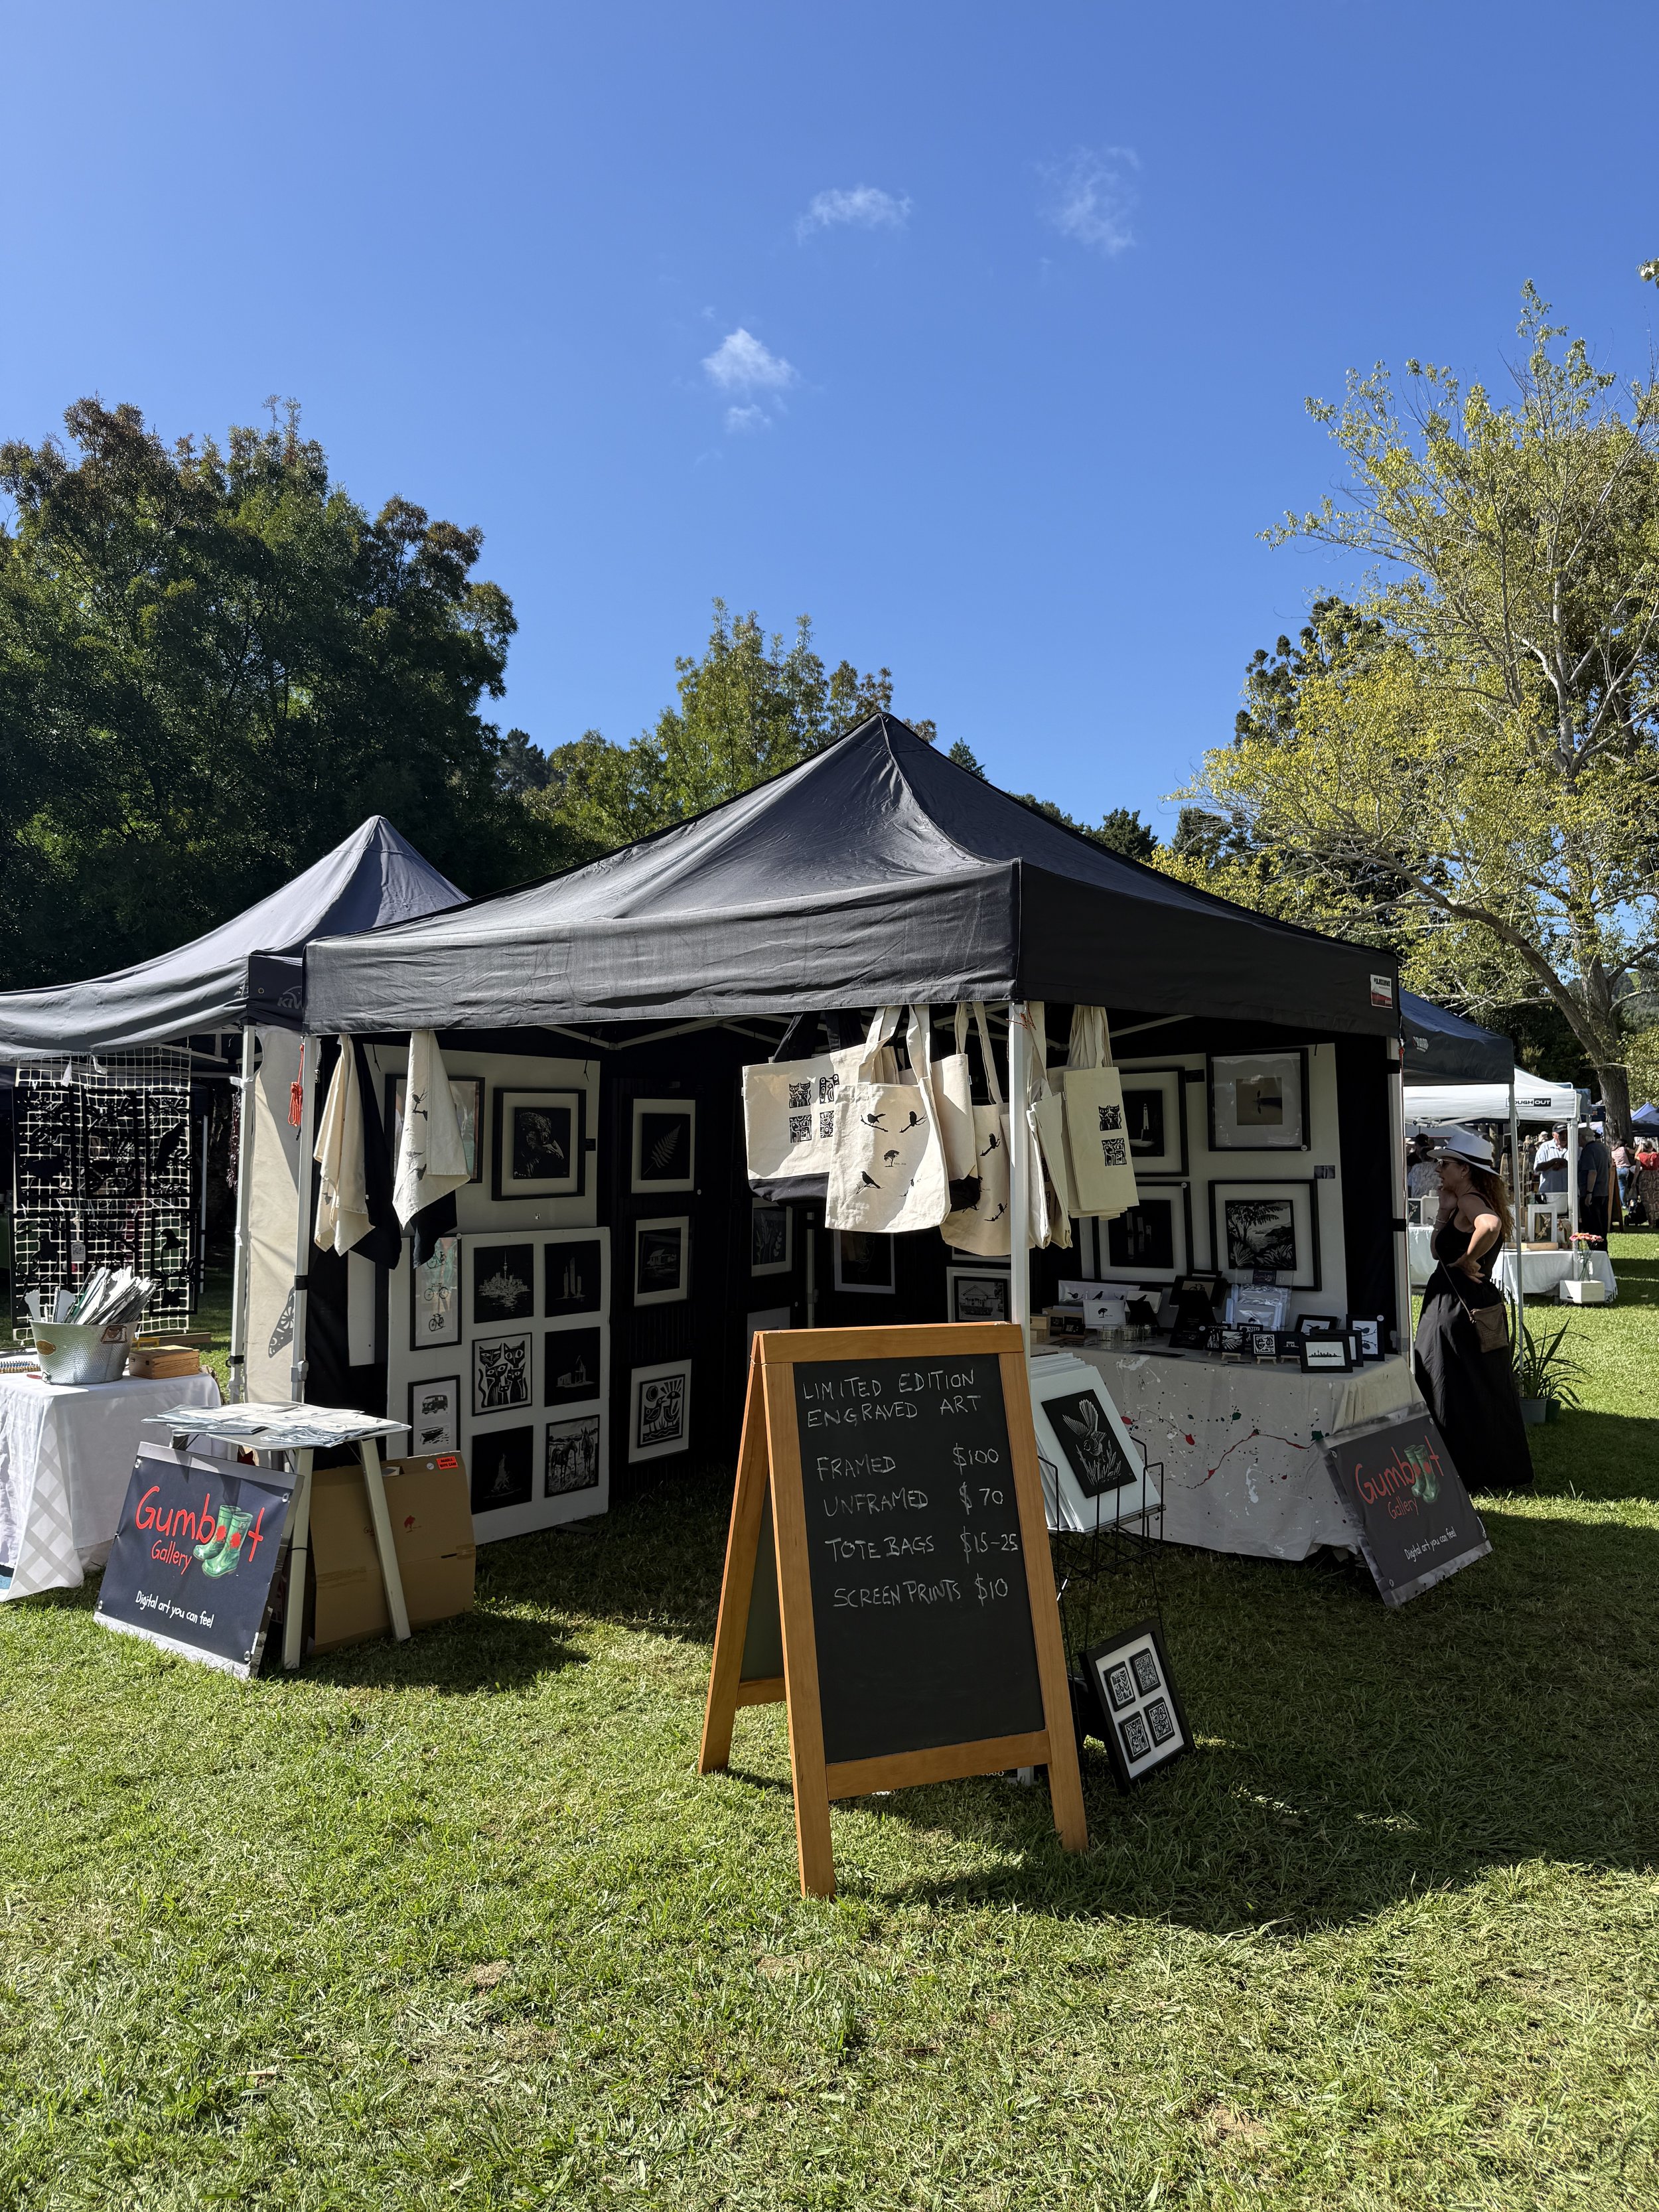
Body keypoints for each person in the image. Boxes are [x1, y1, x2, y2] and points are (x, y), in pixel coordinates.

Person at [1414, 1128, 1534, 1495]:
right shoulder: (1464, 1198)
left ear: (1465, 1169)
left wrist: (1468, 1259)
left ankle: (1462, 1465)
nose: (1440, 1169)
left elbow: (1491, 1225)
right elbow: (1438, 1252)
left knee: (1447, 1380)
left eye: (1446, 1164)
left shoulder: (1472, 1199)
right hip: (1460, 1300)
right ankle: (1479, 1464)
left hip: (1456, 1305)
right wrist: (1445, 1212)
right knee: (1469, 1382)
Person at [1577, 1124, 1613, 1239]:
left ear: (1583, 1138)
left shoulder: (1588, 1151)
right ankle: (1603, 1251)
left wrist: (1589, 1193)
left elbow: (1592, 1172)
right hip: (1603, 1192)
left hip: (1593, 1194)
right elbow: (1608, 1168)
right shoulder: (1602, 1148)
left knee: (1592, 1227)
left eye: (1578, 1137)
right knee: (1602, 1225)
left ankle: (1596, 1251)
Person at [1532, 1125, 1568, 1203]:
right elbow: (1537, 1168)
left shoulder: (1573, 1147)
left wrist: (1564, 1163)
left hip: (1569, 1194)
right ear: (1553, 1135)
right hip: (1550, 1194)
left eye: (1566, 1134)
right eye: (1561, 1134)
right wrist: (1553, 1162)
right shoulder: (1545, 1147)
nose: (1564, 1137)